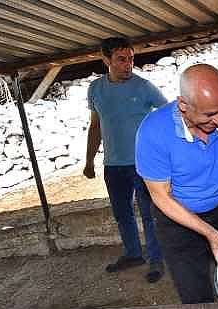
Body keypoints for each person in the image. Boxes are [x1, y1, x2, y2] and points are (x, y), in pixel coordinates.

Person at [135, 64, 218, 304]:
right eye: (208, 114)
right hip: (177, 221)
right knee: (195, 295)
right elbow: (162, 197)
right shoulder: (153, 131)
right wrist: (209, 233)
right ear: (183, 105)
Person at [84, 37, 168, 283]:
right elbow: (95, 126)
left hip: (143, 164)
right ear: (106, 60)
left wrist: (162, 150)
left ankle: (156, 260)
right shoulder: (96, 89)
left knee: (149, 213)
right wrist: (89, 161)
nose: (128, 64)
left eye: (131, 59)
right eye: (121, 59)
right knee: (122, 213)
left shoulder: (143, 87)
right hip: (113, 165)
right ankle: (133, 254)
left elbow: (168, 114)